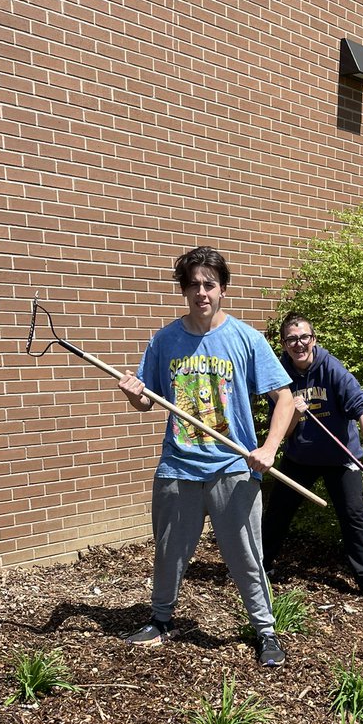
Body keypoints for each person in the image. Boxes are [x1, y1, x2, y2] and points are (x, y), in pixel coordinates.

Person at [118, 246, 295, 665]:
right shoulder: (165, 340)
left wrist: (268, 448)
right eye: (194, 284)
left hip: (233, 466)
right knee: (168, 550)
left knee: (246, 554)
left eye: (209, 284)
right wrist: (134, 396)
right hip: (178, 464)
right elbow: (150, 401)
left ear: (222, 289)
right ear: (184, 289)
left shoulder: (246, 339)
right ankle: (161, 621)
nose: (202, 292)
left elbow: (284, 398)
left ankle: (265, 631)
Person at [261, 314, 363, 602]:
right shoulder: (281, 377)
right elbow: (284, 429)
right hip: (300, 457)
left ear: (313, 339)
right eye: (291, 339)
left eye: (304, 337)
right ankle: (262, 567)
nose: (299, 344)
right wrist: (294, 411)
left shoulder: (332, 369)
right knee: (277, 513)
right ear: (284, 344)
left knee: (354, 518)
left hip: (341, 458)